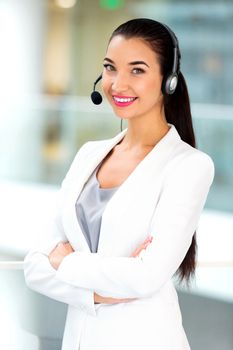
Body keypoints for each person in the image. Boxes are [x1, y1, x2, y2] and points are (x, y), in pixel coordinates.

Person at [24, 18, 214, 350]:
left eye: (137, 70)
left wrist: (65, 263)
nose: (117, 84)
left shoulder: (189, 166)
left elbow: (147, 276)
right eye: (110, 68)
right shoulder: (88, 155)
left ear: (168, 81)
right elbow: (34, 265)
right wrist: (100, 292)